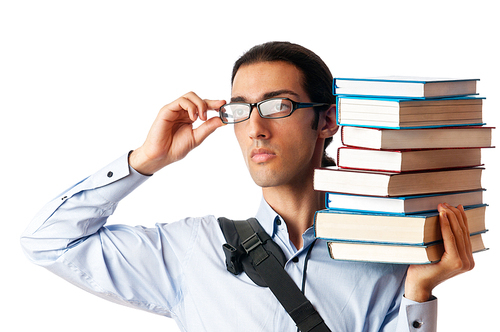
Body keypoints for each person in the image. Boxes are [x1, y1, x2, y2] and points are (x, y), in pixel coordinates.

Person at [21, 41, 475, 332]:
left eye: (278, 105)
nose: (256, 127)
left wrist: (418, 293)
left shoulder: (387, 252)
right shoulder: (190, 251)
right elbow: (47, 242)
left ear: (327, 120)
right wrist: (144, 161)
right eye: (241, 109)